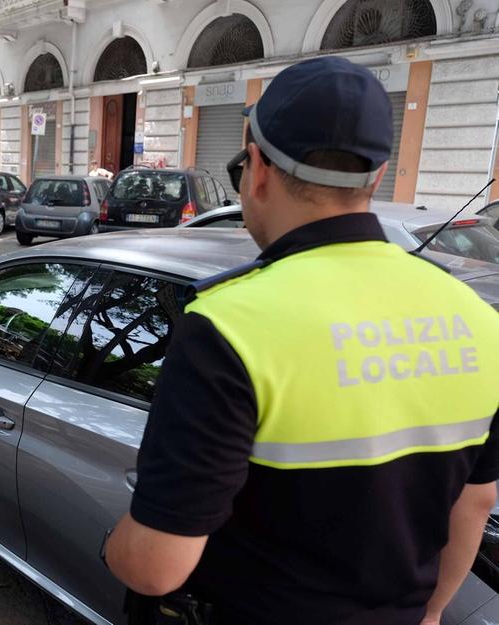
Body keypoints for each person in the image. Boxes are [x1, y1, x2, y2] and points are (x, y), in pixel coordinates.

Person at [103, 56, 498, 625]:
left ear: (256, 168)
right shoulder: (478, 318)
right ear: (378, 175)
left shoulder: (227, 324)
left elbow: (156, 567)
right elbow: (476, 501)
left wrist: (117, 546)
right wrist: (431, 614)